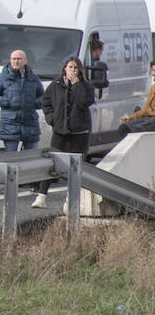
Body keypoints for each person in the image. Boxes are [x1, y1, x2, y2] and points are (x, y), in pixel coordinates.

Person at [35, 55, 96, 208]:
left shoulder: (86, 86)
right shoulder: (56, 84)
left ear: (80, 70)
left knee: (75, 167)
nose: (73, 71)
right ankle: (41, 197)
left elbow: (84, 103)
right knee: (51, 163)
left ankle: (71, 199)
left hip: (79, 133)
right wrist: (51, 119)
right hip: (60, 131)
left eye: (76, 68)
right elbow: (46, 102)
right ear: (65, 69)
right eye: (70, 67)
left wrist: (76, 85)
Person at [0, 49, 45, 156]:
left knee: (31, 158)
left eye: (19, 59)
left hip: (30, 123)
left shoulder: (33, 78)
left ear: (25, 61)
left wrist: (34, 103)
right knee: (10, 158)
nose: (16, 61)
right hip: (10, 123)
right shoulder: (2, 78)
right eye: (13, 59)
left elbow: (43, 96)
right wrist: (5, 101)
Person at [119, 61, 155, 134]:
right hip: (150, 118)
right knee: (126, 127)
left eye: (154, 71)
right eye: (152, 70)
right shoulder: (153, 88)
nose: (152, 73)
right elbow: (146, 109)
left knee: (140, 126)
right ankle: (131, 127)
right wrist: (130, 117)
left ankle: (135, 129)